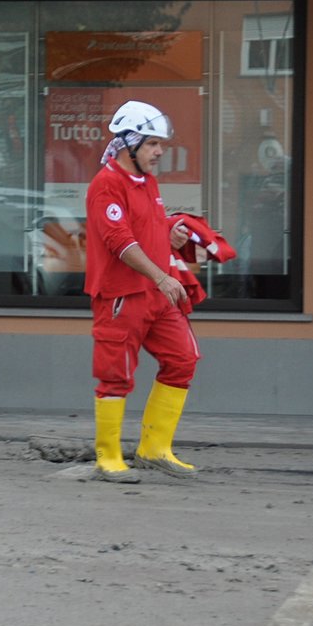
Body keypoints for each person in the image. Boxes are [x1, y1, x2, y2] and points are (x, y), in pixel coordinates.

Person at [83, 100, 199, 483]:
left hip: (155, 293)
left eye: (159, 145)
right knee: (115, 376)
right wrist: (163, 277)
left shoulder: (147, 181)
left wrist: (171, 233)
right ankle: (108, 457)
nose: (159, 152)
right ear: (130, 144)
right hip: (121, 295)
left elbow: (146, 226)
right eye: (152, 144)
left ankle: (154, 449)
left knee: (183, 358)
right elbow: (120, 241)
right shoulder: (106, 185)